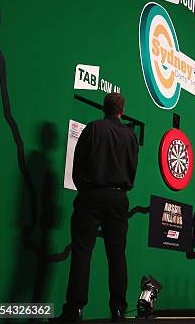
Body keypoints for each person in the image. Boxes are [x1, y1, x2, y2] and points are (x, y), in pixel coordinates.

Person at [51, 93, 139, 322]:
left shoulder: (93, 128)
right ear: (122, 110)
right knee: (117, 254)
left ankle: (74, 309)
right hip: (119, 198)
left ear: (104, 108)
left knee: (82, 253)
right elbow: (132, 171)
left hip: (91, 196)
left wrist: (86, 189)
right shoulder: (130, 136)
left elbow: (77, 164)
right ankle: (118, 310)